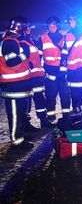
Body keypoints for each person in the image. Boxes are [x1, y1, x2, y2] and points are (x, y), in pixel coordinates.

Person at [0, 17, 35, 150]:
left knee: (21, 114)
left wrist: (27, 63)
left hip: (19, 85)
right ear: (21, 28)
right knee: (15, 116)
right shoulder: (9, 42)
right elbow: (11, 61)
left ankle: (21, 136)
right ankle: (17, 142)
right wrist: (25, 53)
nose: (28, 31)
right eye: (27, 28)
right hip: (13, 87)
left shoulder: (14, 41)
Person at [38, 16, 71, 124]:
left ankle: (66, 117)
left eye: (54, 25)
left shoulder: (64, 38)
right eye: (50, 25)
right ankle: (51, 118)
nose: (52, 27)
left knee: (65, 96)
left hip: (62, 72)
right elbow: (39, 55)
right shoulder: (42, 38)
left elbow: (67, 55)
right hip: (50, 72)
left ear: (58, 26)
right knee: (50, 96)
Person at [19, 20, 52, 128]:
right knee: (26, 102)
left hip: (36, 77)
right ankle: (26, 124)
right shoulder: (21, 41)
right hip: (28, 77)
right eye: (28, 28)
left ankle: (43, 120)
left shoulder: (30, 40)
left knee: (39, 100)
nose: (29, 30)